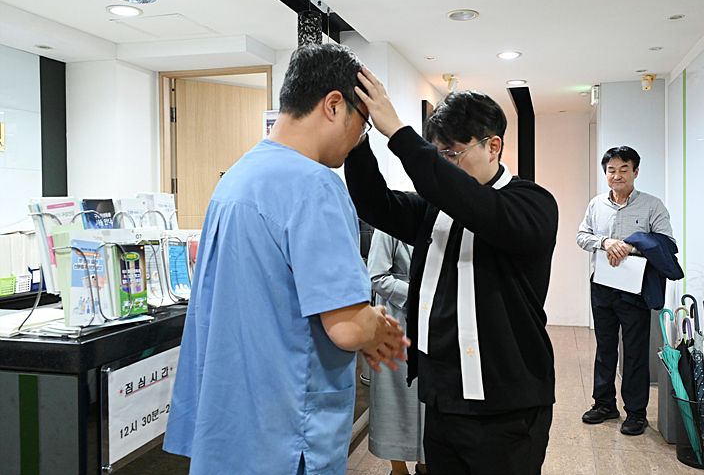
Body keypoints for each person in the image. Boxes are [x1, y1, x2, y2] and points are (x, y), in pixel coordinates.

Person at [163, 44, 408, 475]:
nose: (358, 139)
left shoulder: (235, 179)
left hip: (231, 428)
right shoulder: (316, 185)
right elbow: (348, 328)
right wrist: (374, 323)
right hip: (286, 434)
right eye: (363, 124)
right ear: (334, 105)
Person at [345, 69, 559, 475]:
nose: (443, 163)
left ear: (493, 146)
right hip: (442, 399)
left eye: (452, 153)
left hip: (505, 406)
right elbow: (376, 204)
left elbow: (475, 205)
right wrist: (358, 141)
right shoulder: (437, 210)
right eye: (437, 153)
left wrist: (399, 134)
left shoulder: (532, 204)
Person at [576, 146, 676, 436]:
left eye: (623, 169)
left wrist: (631, 246)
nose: (617, 175)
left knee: (634, 351)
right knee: (605, 347)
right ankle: (604, 404)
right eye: (611, 170)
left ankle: (636, 413)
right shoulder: (596, 204)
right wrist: (605, 242)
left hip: (635, 289)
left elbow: (667, 243)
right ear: (605, 173)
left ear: (635, 172)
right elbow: (582, 236)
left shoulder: (652, 205)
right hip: (602, 285)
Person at [367, 229, 426, 475]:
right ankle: (399, 470)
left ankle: (425, 465)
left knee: (428, 399)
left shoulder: (442, 215)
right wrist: (420, 295)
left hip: (433, 319)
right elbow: (376, 275)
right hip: (397, 321)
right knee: (396, 397)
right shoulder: (387, 225)